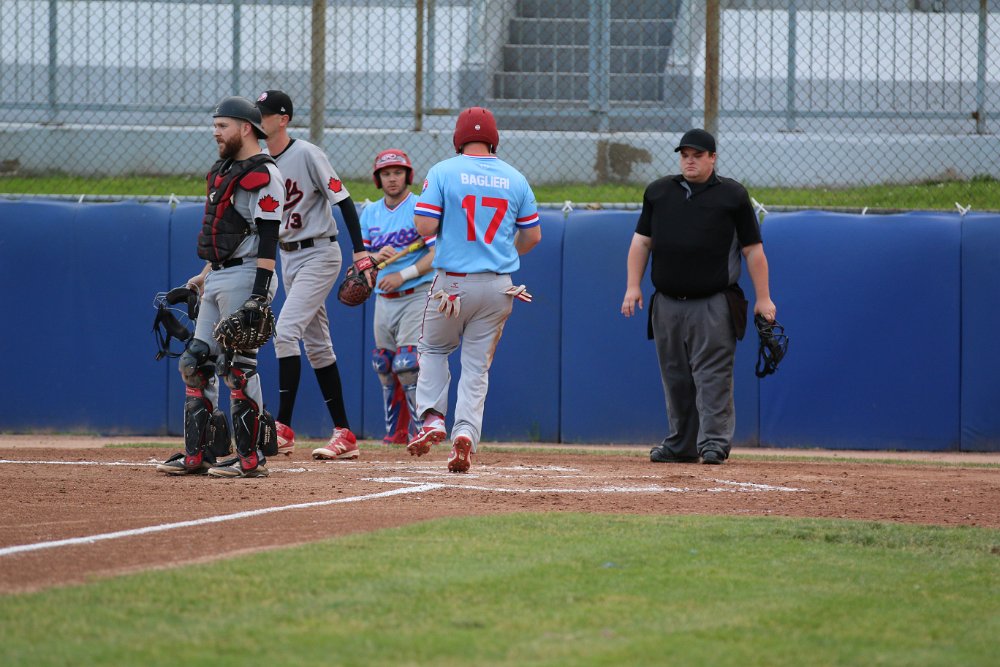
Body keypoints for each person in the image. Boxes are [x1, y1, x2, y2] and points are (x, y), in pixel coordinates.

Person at [621, 128, 777, 465]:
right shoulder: (659, 192)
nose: (689, 161)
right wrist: (633, 285)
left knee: (712, 375)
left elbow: (753, 250)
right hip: (666, 302)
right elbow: (642, 242)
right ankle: (681, 444)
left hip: (713, 302)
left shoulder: (732, 195)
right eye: (685, 155)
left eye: (697, 155)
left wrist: (763, 298)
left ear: (712, 158)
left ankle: (714, 443)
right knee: (675, 376)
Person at [406, 107, 541, 473]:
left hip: (452, 285)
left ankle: (432, 418)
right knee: (476, 367)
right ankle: (465, 432)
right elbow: (533, 236)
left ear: (458, 138)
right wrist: (503, 252)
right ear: (494, 139)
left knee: (434, 348)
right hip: (499, 286)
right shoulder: (515, 177)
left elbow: (424, 226)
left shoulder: (443, 171)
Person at [156, 96, 285, 478]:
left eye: (222, 125)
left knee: (237, 368)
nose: (215, 132)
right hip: (220, 275)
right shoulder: (226, 170)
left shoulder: (265, 174)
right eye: (214, 125)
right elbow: (229, 235)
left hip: (248, 276)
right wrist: (203, 274)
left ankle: (250, 459)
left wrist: (259, 295)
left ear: (246, 128)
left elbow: (267, 240)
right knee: (195, 362)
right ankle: (199, 455)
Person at [255, 90, 375, 462]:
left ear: (283, 119)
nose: (258, 119)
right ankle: (345, 434)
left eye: (264, 114)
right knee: (318, 346)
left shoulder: (307, 154)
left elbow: (343, 199)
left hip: (320, 252)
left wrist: (360, 251)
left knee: (285, 332)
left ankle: (283, 426)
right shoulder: (261, 163)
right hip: (288, 256)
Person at [360, 149, 436, 445]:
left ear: (408, 176)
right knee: (384, 362)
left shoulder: (419, 207)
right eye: (386, 173)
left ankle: (421, 430)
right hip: (383, 297)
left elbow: (436, 253)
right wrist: (374, 257)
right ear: (378, 179)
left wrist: (403, 275)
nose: (392, 179)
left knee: (407, 363)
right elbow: (361, 260)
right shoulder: (370, 213)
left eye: (398, 172)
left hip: (415, 292)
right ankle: (396, 431)